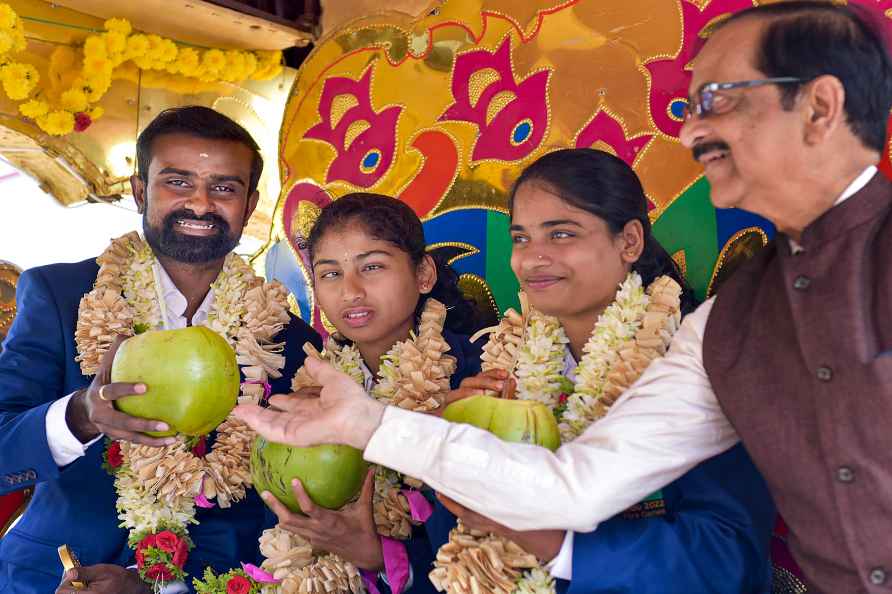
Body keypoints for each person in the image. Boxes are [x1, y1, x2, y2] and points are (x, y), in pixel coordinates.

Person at [234, 2, 892, 592]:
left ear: (820, 107)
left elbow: (720, 554)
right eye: (522, 237)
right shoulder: (728, 324)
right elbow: (576, 490)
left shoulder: (698, 330)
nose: (691, 132)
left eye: (718, 98)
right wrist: (378, 428)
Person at [0, 106, 321, 594]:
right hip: (50, 578)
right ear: (138, 191)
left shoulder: (286, 339)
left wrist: (154, 584)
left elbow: (267, 502)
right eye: (177, 181)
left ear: (250, 204)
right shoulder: (60, 295)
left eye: (224, 188)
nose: (200, 203)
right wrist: (81, 416)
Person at [424, 149, 773, 593]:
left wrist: (551, 540)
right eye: (521, 238)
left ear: (629, 241)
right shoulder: (499, 366)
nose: (531, 259)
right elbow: (452, 551)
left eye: (561, 234)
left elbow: (727, 557)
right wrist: (452, 454)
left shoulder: (698, 363)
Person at [260, 193, 482, 593]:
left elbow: (495, 555)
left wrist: (378, 555)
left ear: (423, 275)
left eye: (372, 266)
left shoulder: (474, 380)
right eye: (330, 274)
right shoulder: (305, 389)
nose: (351, 291)